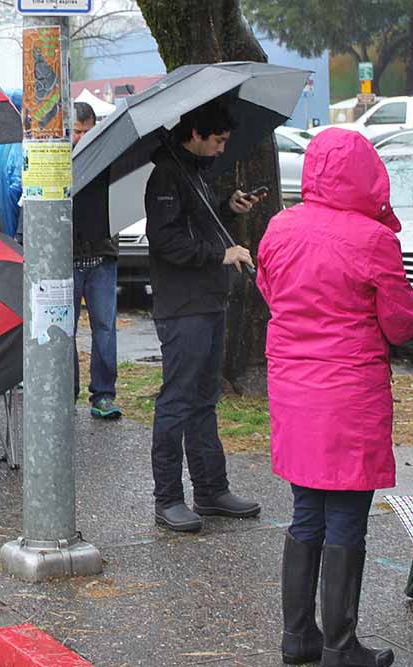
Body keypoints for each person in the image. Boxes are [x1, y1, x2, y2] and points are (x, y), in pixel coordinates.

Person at [257, 128, 413, 667]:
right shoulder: (374, 240)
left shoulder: (280, 228)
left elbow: (269, 289)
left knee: (307, 513)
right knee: (347, 519)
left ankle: (298, 637)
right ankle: (340, 646)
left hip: (293, 390)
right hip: (349, 395)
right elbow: (399, 325)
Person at [143, 101, 261, 533]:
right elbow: (167, 241)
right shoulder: (167, 176)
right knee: (177, 401)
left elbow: (199, 222)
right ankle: (168, 497)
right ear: (196, 134)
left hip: (210, 301)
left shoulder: (194, 170)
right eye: (218, 140)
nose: (221, 148)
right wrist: (220, 252)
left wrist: (228, 207)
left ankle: (211, 489)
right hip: (183, 306)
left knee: (205, 401)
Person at [71, 101, 122, 420]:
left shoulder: (109, 159)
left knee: (105, 328)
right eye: (76, 132)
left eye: (88, 132)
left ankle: (103, 394)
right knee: (64, 330)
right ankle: (66, 392)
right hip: (68, 256)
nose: (82, 138)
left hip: (102, 254)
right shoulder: (57, 161)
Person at [0, 90, 23, 239]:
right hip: (16, 226)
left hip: (0, 227)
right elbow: (18, 185)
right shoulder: (19, 144)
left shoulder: (4, 144)